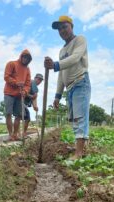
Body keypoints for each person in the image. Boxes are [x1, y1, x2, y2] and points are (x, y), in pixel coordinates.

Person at [44, 16, 91, 159]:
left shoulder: (80, 40)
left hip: (80, 82)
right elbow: (61, 74)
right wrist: (58, 95)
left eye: (64, 27)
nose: (62, 31)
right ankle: (80, 147)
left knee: (80, 117)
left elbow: (76, 58)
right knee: (74, 119)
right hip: (69, 88)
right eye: (59, 29)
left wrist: (56, 65)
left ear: (71, 26)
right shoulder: (61, 51)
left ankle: (79, 152)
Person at [4, 49, 32, 141]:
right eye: (24, 57)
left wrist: (25, 91)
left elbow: (28, 84)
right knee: (8, 113)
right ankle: (10, 135)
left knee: (19, 115)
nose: (25, 59)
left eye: (28, 58)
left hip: (20, 95)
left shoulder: (27, 69)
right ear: (21, 56)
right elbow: (6, 76)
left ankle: (15, 135)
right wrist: (16, 83)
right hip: (9, 93)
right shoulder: (11, 64)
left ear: (29, 60)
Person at [21, 73, 43, 138]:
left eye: (41, 80)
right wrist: (31, 96)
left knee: (26, 118)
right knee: (26, 118)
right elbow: (25, 93)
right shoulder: (30, 82)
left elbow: (34, 98)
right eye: (38, 79)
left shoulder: (35, 88)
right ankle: (22, 133)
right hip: (20, 101)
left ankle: (22, 133)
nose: (39, 81)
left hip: (24, 103)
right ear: (35, 78)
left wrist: (35, 107)